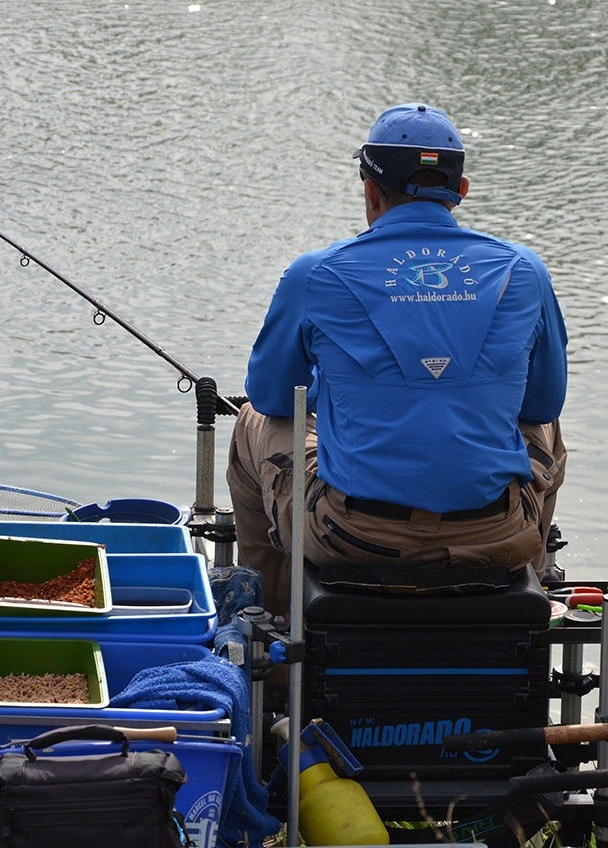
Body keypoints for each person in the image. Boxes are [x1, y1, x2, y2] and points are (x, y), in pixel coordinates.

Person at [226, 102, 568, 623]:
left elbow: (274, 397)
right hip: (499, 535)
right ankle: (532, 586)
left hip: (353, 537)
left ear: (369, 188)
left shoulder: (316, 273)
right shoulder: (524, 271)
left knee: (253, 422)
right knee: (547, 429)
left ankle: (274, 636)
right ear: (462, 191)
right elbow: (543, 402)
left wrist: (339, 391)